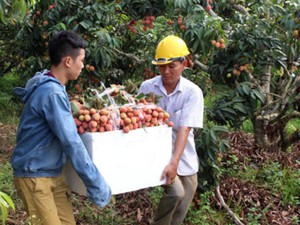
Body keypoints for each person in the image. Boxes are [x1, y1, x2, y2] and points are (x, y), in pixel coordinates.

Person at [11, 30, 111, 225]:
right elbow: (71, 142)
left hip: (52, 173)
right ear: (68, 61)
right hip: (35, 176)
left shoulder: (53, 87)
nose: (83, 65)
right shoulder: (52, 93)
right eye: (81, 60)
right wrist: (96, 184)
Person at [139, 35, 204, 225]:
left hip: (184, 157)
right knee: (176, 193)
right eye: (161, 66)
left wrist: (174, 163)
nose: (165, 71)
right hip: (157, 154)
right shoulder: (147, 87)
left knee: (182, 206)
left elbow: (184, 129)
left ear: (183, 64)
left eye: (171, 66)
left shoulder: (192, 92)